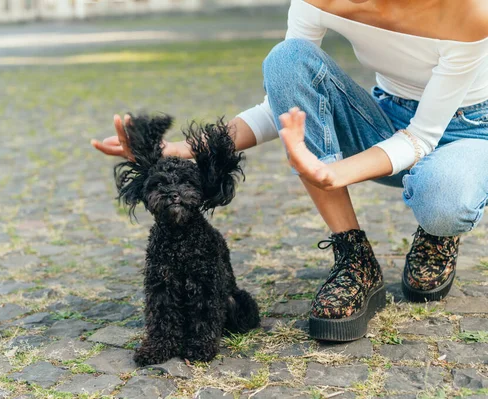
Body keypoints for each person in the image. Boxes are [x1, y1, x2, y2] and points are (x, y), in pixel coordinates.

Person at [92, 0, 488, 342]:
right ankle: (354, 258)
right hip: (385, 115)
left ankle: (438, 235)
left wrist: (333, 173)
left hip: (470, 130)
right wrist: (182, 149)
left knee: (445, 196)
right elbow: (282, 103)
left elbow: (421, 139)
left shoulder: (469, 9)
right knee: (285, 59)